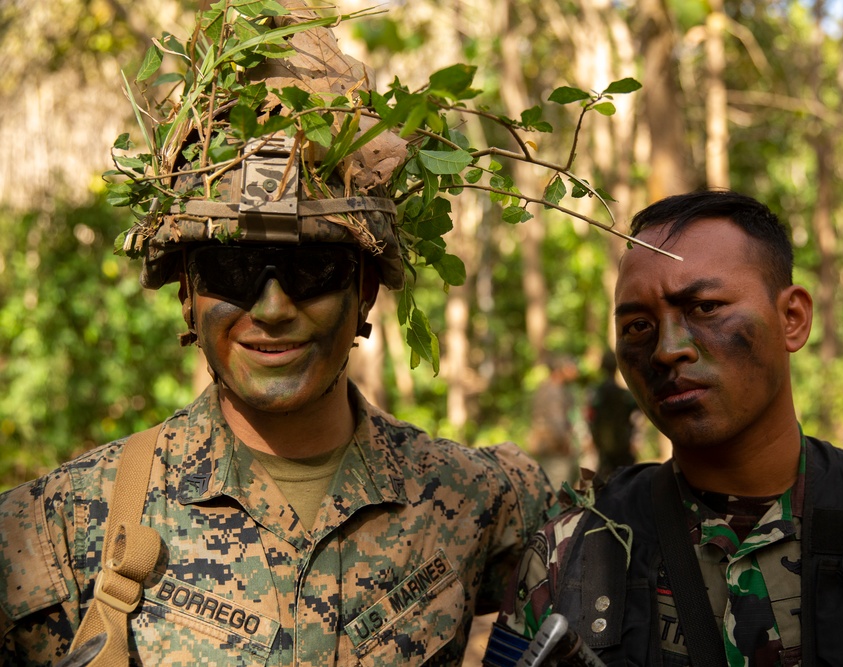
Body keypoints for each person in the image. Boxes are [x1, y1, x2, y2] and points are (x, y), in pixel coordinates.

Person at [0, 7, 554, 666]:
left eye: (309, 268)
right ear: (186, 291)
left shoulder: (477, 501)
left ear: (366, 289)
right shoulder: (54, 526)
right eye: (231, 268)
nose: (271, 307)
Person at [483, 190, 843, 666]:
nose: (667, 349)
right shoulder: (569, 553)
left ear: (792, 318)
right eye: (638, 326)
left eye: (706, 308)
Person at [527, 356, 580, 491]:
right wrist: (564, 441)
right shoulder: (554, 391)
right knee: (557, 489)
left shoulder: (546, 388)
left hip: (548, 446)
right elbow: (557, 420)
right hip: (555, 446)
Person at [585, 351, 637, 482]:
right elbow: (638, 413)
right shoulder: (624, 395)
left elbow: (590, 418)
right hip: (621, 446)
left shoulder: (596, 393)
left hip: (605, 447)